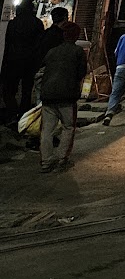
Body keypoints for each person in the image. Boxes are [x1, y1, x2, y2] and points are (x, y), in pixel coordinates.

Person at [38, 24, 87, 172]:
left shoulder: (52, 51)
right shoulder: (78, 51)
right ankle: (61, 159)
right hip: (67, 96)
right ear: (76, 35)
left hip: (48, 95)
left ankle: (45, 161)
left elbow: (43, 69)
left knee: (47, 130)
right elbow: (81, 72)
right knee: (68, 126)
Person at [2, 0, 44, 126]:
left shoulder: (13, 23)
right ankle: (23, 116)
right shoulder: (37, 23)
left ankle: (12, 113)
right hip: (30, 62)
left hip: (13, 61)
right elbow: (39, 45)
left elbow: (7, 43)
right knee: (26, 90)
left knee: (9, 90)